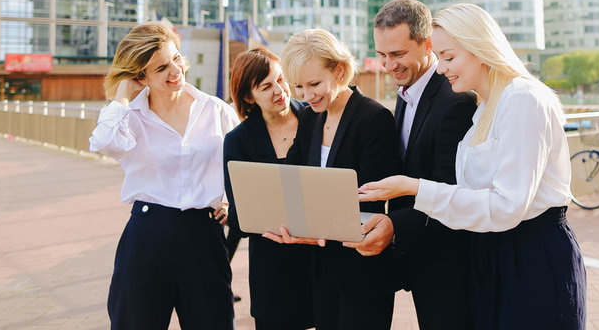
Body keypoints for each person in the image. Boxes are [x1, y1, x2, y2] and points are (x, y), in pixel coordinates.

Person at [357, 3, 587, 330]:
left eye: (448, 58)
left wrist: (414, 187)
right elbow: (470, 195)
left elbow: (507, 205)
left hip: (532, 256)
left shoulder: (523, 99)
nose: (440, 69)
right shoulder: (484, 110)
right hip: (494, 255)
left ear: (481, 49)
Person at [89, 22, 238, 329]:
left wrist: (230, 202)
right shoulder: (130, 117)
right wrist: (122, 96)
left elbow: (240, 162)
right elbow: (102, 142)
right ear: (140, 76)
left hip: (204, 237)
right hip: (147, 237)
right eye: (160, 68)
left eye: (175, 59)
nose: (175, 71)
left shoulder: (215, 110)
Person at [348, 0, 477, 330]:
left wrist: (395, 227)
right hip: (417, 252)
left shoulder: (455, 101)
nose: (388, 65)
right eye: (382, 55)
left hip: (448, 261)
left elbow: (448, 190)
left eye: (398, 54)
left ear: (427, 44)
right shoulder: (407, 93)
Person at [265, 28, 401, 330]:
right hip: (322, 271)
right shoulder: (311, 117)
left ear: (339, 70)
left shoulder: (374, 118)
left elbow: (367, 202)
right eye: (298, 86)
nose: (306, 95)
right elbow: (296, 173)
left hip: (363, 272)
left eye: (314, 83)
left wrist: (309, 231)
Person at [222, 47, 314, 329]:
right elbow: (239, 217)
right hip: (272, 263)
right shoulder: (238, 140)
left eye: (281, 79)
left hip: (320, 254)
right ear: (249, 97)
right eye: (266, 86)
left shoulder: (316, 120)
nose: (280, 90)